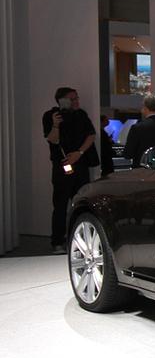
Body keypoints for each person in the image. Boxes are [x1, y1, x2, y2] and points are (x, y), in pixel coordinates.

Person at [42, 87, 99, 254]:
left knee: (82, 203)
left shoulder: (81, 115)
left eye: (76, 98)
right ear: (61, 100)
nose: (76, 101)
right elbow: (52, 140)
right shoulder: (50, 116)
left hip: (80, 164)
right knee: (60, 204)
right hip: (62, 165)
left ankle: (80, 239)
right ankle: (57, 241)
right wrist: (55, 125)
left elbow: (91, 135)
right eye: (72, 99)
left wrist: (79, 153)